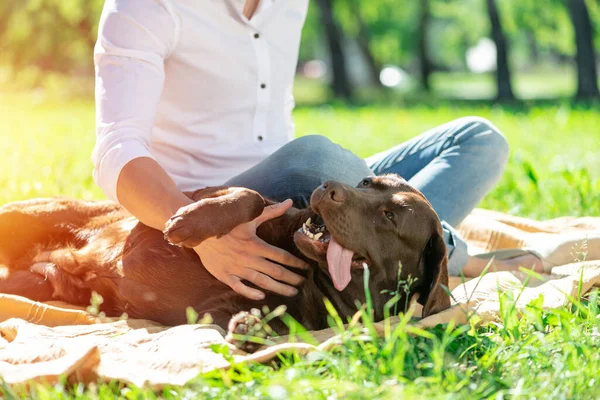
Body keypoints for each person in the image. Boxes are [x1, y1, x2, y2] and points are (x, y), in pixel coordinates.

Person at [92, 0, 542, 301]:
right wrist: (204, 234)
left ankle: (416, 242)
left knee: (479, 139)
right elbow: (118, 148)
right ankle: (445, 254)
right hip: (210, 201)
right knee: (316, 160)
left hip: (297, 187)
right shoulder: (146, 5)